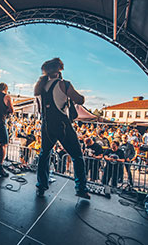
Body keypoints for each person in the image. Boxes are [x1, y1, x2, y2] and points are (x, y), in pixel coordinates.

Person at [34, 57, 90, 199]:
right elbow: (80, 100)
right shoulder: (64, 84)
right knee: (77, 156)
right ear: (59, 70)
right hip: (62, 124)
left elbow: (40, 109)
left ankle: (41, 186)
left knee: (44, 154)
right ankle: (81, 188)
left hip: (46, 125)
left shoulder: (39, 87)